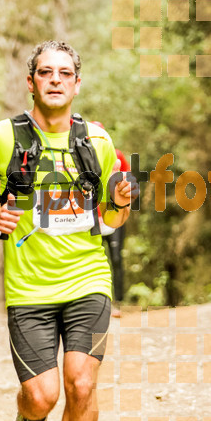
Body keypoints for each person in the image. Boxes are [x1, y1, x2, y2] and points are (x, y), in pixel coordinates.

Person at [0, 40, 137, 421]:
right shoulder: (2, 138)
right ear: (32, 82)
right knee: (42, 395)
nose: (56, 80)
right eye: (47, 72)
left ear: (78, 83)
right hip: (29, 289)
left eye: (65, 73)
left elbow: (110, 219)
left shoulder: (97, 142)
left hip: (88, 278)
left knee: (82, 384)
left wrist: (122, 200)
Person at [91, 122, 130, 317]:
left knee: (116, 259)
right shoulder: (80, 159)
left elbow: (127, 183)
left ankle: (118, 303)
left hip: (113, 216)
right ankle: (96, 304)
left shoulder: (118, 156)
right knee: (94, 259)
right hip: (91, 218)